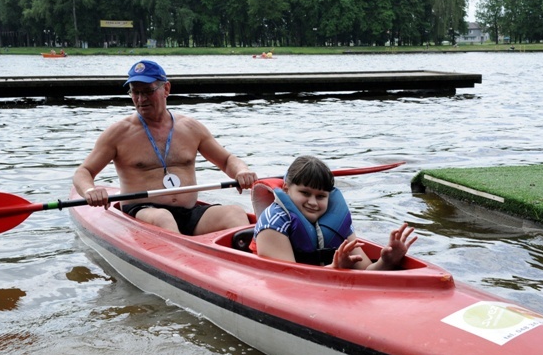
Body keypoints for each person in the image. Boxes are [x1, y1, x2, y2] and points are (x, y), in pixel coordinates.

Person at [73, 59, 257, 235]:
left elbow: (226, 160)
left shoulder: (190, 128)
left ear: (166, 88)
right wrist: (90, 190)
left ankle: (250, 264)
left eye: (147, 91)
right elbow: (84, 171)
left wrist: (241, 171)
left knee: (235, 213)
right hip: (143, 213)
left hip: (188, 212)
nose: (140, 99)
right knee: (164, 217)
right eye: (134, 92)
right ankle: (182, 262)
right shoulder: (118, 133)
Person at [252, 155, 416, 270]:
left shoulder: (335, 221)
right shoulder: (273, 223)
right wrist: (336, 269)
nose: (313, 202)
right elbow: (288, 279)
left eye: (321, 196)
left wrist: (387, 261)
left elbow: (368, 272)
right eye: (305, 193)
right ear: (286, 189)